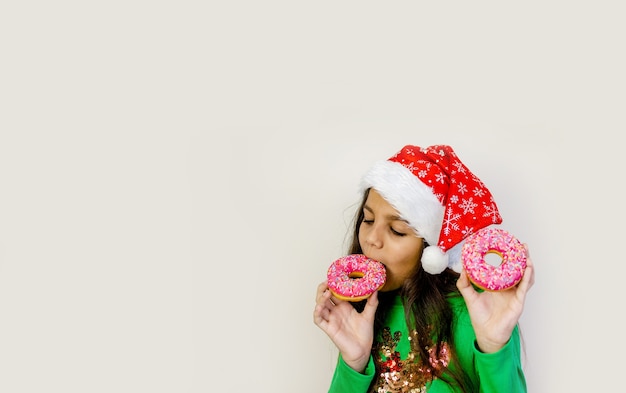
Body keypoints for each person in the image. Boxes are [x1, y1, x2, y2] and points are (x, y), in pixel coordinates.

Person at [313, 144, 535, 393]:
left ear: (430, 249)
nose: (371, 239)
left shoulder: (476, 315)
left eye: (397, 230)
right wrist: (353, 363)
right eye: (368, 219)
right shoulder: (361, 318)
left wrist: (494, 347)